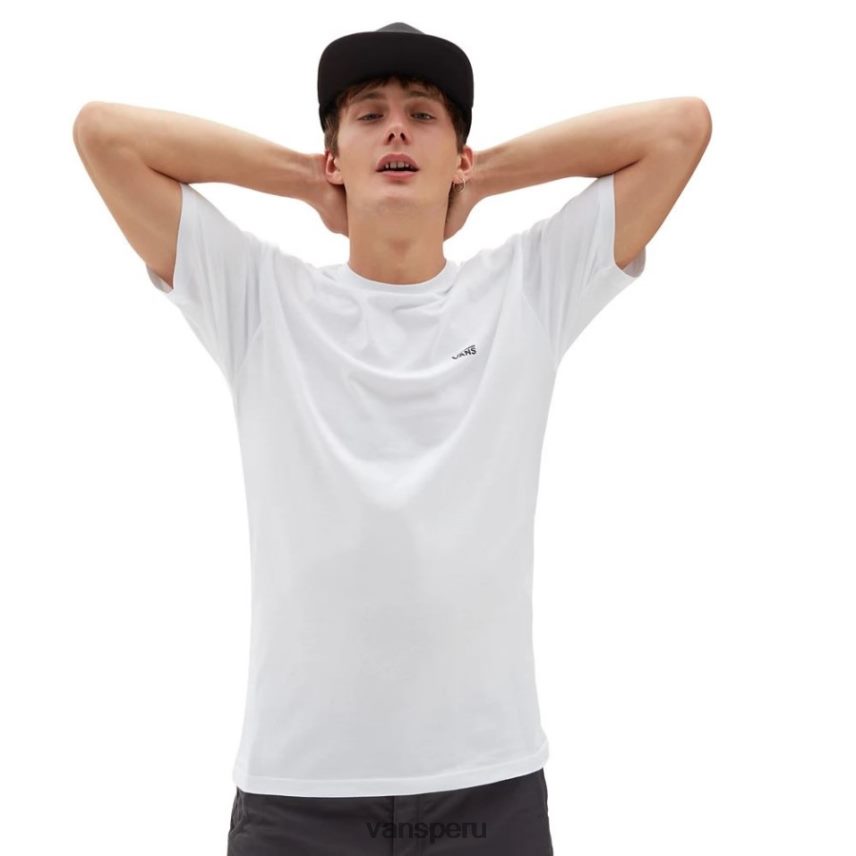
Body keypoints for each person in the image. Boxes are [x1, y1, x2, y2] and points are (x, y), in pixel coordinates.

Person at [74, 19, 709, 855]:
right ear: (335, 154)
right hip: (297, 797)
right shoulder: (261, 298)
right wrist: (308, 180)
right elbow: (105, 136)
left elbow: (679, 130)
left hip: (488, 785)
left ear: (459, 153)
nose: (397, 130)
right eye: (369, 116)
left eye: (423, 115)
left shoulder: (527, 288)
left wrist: (481, 177)